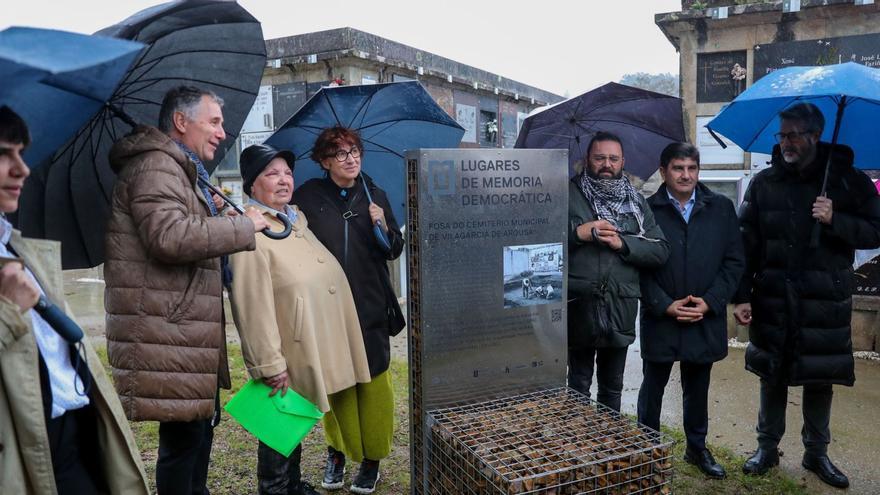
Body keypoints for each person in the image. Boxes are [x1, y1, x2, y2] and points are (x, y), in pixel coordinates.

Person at [103, 86, 269, 495]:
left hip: (184, 330)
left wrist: (219, 214)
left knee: (196, 433)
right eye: (214, 122)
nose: (222, 133)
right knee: (183, 443)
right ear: (181, 121)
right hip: (169, 330)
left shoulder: (182, 170)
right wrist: (243, 226)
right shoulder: (156, 167)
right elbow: (170, 237)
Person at [0, 105, 149, 494]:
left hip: (73, 424)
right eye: (3, 155)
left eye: (21, 154)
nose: (22, 169)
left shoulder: (16, 246)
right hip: (26, 442)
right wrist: (9, 312)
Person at [733, 102, 880, 488]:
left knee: (820, 376)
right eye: (782, 135)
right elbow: (746, 242)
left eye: (794, 134)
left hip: (823, 300)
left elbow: (876, 230)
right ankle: (766, 448)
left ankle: (817, 453)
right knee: (772, 374)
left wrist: (836, 219)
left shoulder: (848, 181)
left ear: (816, 135)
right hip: (773, 296)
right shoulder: (764, 183)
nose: (786, 142)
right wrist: (742, 295)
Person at [229, 144, 372, 495]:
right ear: (252, 184)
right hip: (286, 346)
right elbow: (251, 305)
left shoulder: (294, 219)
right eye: (272, 174)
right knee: (280, 417)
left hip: (308, 339)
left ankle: (291, 484)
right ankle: (276, 488)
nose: (284, 180)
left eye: (288, 173)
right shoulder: (250, 230)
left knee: (297, 414)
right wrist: (269, 362)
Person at [295, 126, 405, 494]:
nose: (351, 158)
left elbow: (393, 249)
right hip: (327, 305)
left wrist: (381, 223)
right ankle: (337, 451)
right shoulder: (308, 196)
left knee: (374, 381)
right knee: (336, 381)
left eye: (354, 150)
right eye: (340, 153)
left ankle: (372, 459)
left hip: (370, 300)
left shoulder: (375, 194)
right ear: (324, 161)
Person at [638, 142, 745, 479]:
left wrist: (711, 301)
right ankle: (647, 450)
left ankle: (697, 449)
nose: (686, 175)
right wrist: (663, 304)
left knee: (698, 388)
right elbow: (637, 266)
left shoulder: (721, 208)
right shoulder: (646, 210)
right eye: (678, 168)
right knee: (652, 388)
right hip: (662, 316)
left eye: (692, 168)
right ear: (663, 171)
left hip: (703, 315)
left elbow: (734, 261)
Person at [568, 131, 669, 412]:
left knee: (612, 388)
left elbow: (660, 250)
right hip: (578, 306)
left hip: (619, 307)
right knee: (577, 386)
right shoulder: (567, 194)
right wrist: (578, 233)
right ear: (587, 159)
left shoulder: (636, 201)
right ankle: (576, 437)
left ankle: (607, 437)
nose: (606, 164)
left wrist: (623, 244)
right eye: (599, 158)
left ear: (623, 162)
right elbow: (542, 241)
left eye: (613, 159)